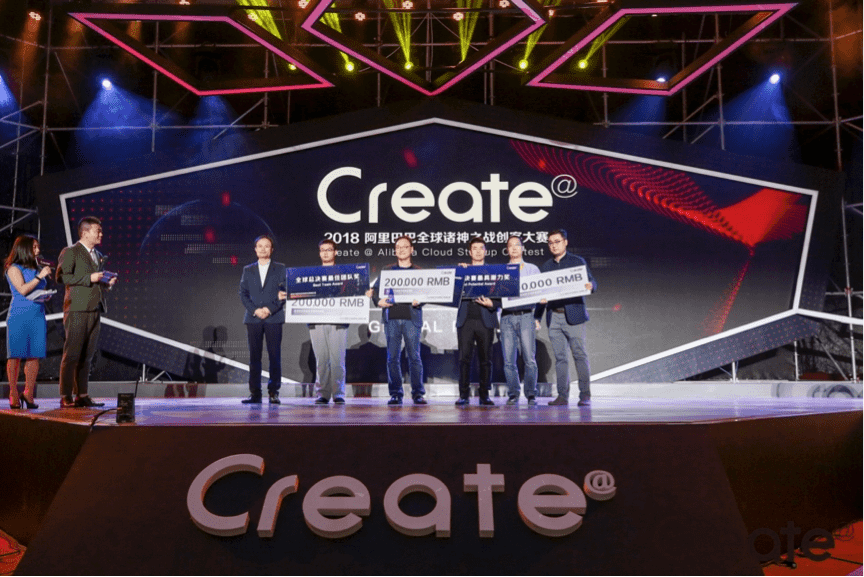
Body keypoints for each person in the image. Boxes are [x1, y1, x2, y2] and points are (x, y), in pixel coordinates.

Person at [56, 216, 117, 409]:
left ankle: (82, 394)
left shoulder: (97, 254)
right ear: (85, 232)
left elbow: (95, 281)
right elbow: (62, 277)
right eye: (97, 230)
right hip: (76, 309)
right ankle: (66, 394)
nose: (101, 234)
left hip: (94, 308)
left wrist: (106, 283)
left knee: (88, 355)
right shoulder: (71, 251)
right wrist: (90, 277)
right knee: (72, 354)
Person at [536, 228, 596, 407]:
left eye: (557, 242)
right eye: (550, 243)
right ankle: (562, 396)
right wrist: (537, 317)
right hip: (554, 317)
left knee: (579, 355)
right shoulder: (546, 267)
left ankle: (585, 395)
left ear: (565, 242)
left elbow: (592, 281)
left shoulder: (577, 262)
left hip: (574, 316)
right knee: (561, 358)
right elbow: (542, 294)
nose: (554, 246)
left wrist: (590, 285)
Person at [369, 236, 426, 406]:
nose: (401, 250)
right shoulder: (387, 270)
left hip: (411, 318)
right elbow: (375, 291)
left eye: (405, 247)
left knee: (414, 357)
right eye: (398, 247)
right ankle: (395, 393)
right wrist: (378, 301)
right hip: (392, 318)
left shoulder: (419, 272)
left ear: (412, 249)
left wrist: (420, 300)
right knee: (392, 358)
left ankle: (418, 393)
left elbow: (427, 292)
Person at [239, 235, 288, 405]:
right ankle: (255, 393)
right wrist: (255, 310)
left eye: (267, 246)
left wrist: (269, 309)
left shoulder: (280, 268)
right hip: (253, 318)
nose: (263, 249)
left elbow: (284, 293)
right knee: (254, 357)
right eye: (260, 246)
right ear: (255, 249)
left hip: (274, 317)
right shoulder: (248, 270)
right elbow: (243, 294)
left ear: (271, 249)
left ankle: (274, 392)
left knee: (274, 356)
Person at [4, 236, 52, 409]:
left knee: (34, 356)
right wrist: (40, 276)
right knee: (15, 356)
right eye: (34, 247)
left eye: (38, 247)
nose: (38, 251)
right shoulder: (13, 268)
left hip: (37, 314)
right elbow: (23, 290)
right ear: (24, 249)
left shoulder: (36, 268)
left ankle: (28, 393)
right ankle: (13, 393)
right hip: (19, 315)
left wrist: (45, 295)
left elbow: (36, 289)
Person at [455, 237, 499, 406]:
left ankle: (484, 395)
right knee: (464, 359)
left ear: (486, 251)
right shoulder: (462, 270)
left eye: (481, 248)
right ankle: (463, 395)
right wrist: (459, 273)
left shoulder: (494, 272)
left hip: (485, 319)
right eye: (475, 248)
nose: (478, 251)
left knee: (485, 360)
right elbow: (452, 292)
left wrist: (493, 304)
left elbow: (503, 294)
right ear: (469, 252)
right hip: (465, 320)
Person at [500, 235, 540, 405]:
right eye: (511, 245)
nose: (514, 248)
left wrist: (537, 316)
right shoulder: (502, 270)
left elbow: (540, 293)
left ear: (522, 248)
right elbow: (497, 295)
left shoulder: (532, 269)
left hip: (526, 315)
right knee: (509, 360)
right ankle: (513, 394)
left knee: (529, 359)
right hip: (506, 317)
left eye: (517, 245)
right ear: (507, 250)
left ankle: (531, 394)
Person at [309, 239, 348, 405]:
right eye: (322, 250)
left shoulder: (345, 274)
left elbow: (353, 293)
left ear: (335, 252)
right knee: (321, 359)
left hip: (338, 320)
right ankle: (322, 394)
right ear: (319, 253)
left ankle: (338, 393)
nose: (325, 253)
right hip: (316, 320)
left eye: (329, 250)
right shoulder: (310, 275)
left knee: (338, 359)